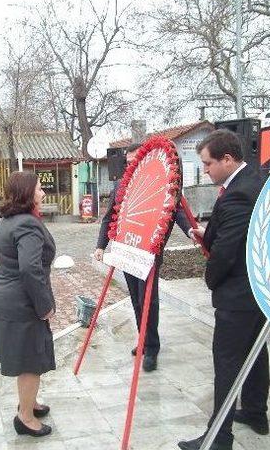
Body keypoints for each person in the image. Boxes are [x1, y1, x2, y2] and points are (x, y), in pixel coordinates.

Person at [178, 130, 268, 450]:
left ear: (227, 160)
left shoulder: (238, 194)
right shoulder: (251, 181)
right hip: (256, 290)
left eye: (208, 164)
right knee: (255, 352)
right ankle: (256, 411)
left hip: (239, 293)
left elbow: (226, 252)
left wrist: (210, 280)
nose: (205, 170)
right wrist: (206, 232)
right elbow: (231, 230)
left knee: (227, 361)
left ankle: (220, 436)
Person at [94, 143, 192, 372]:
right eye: (129, 163)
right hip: (126, 251)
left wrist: (189, 231)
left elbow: (176, 209)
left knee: (149, 300)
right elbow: (110, 218)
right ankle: (143, 340)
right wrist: (101, 246)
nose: (133, 166)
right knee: (136, 300)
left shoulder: (160, 185)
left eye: (136, 161)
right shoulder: (121, 186)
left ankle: (152, 347)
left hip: (148, 252)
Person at [0, 171, 56, 438]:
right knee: (31, 362)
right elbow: (29, 270)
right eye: (39, 188)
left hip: (7, 298)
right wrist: (44, 305)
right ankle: (25, 418)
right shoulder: (27, 224)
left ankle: (30, 402)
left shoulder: (8, 221)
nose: (43, 193)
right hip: (23, 302)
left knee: (28, 357)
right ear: (28, 193)